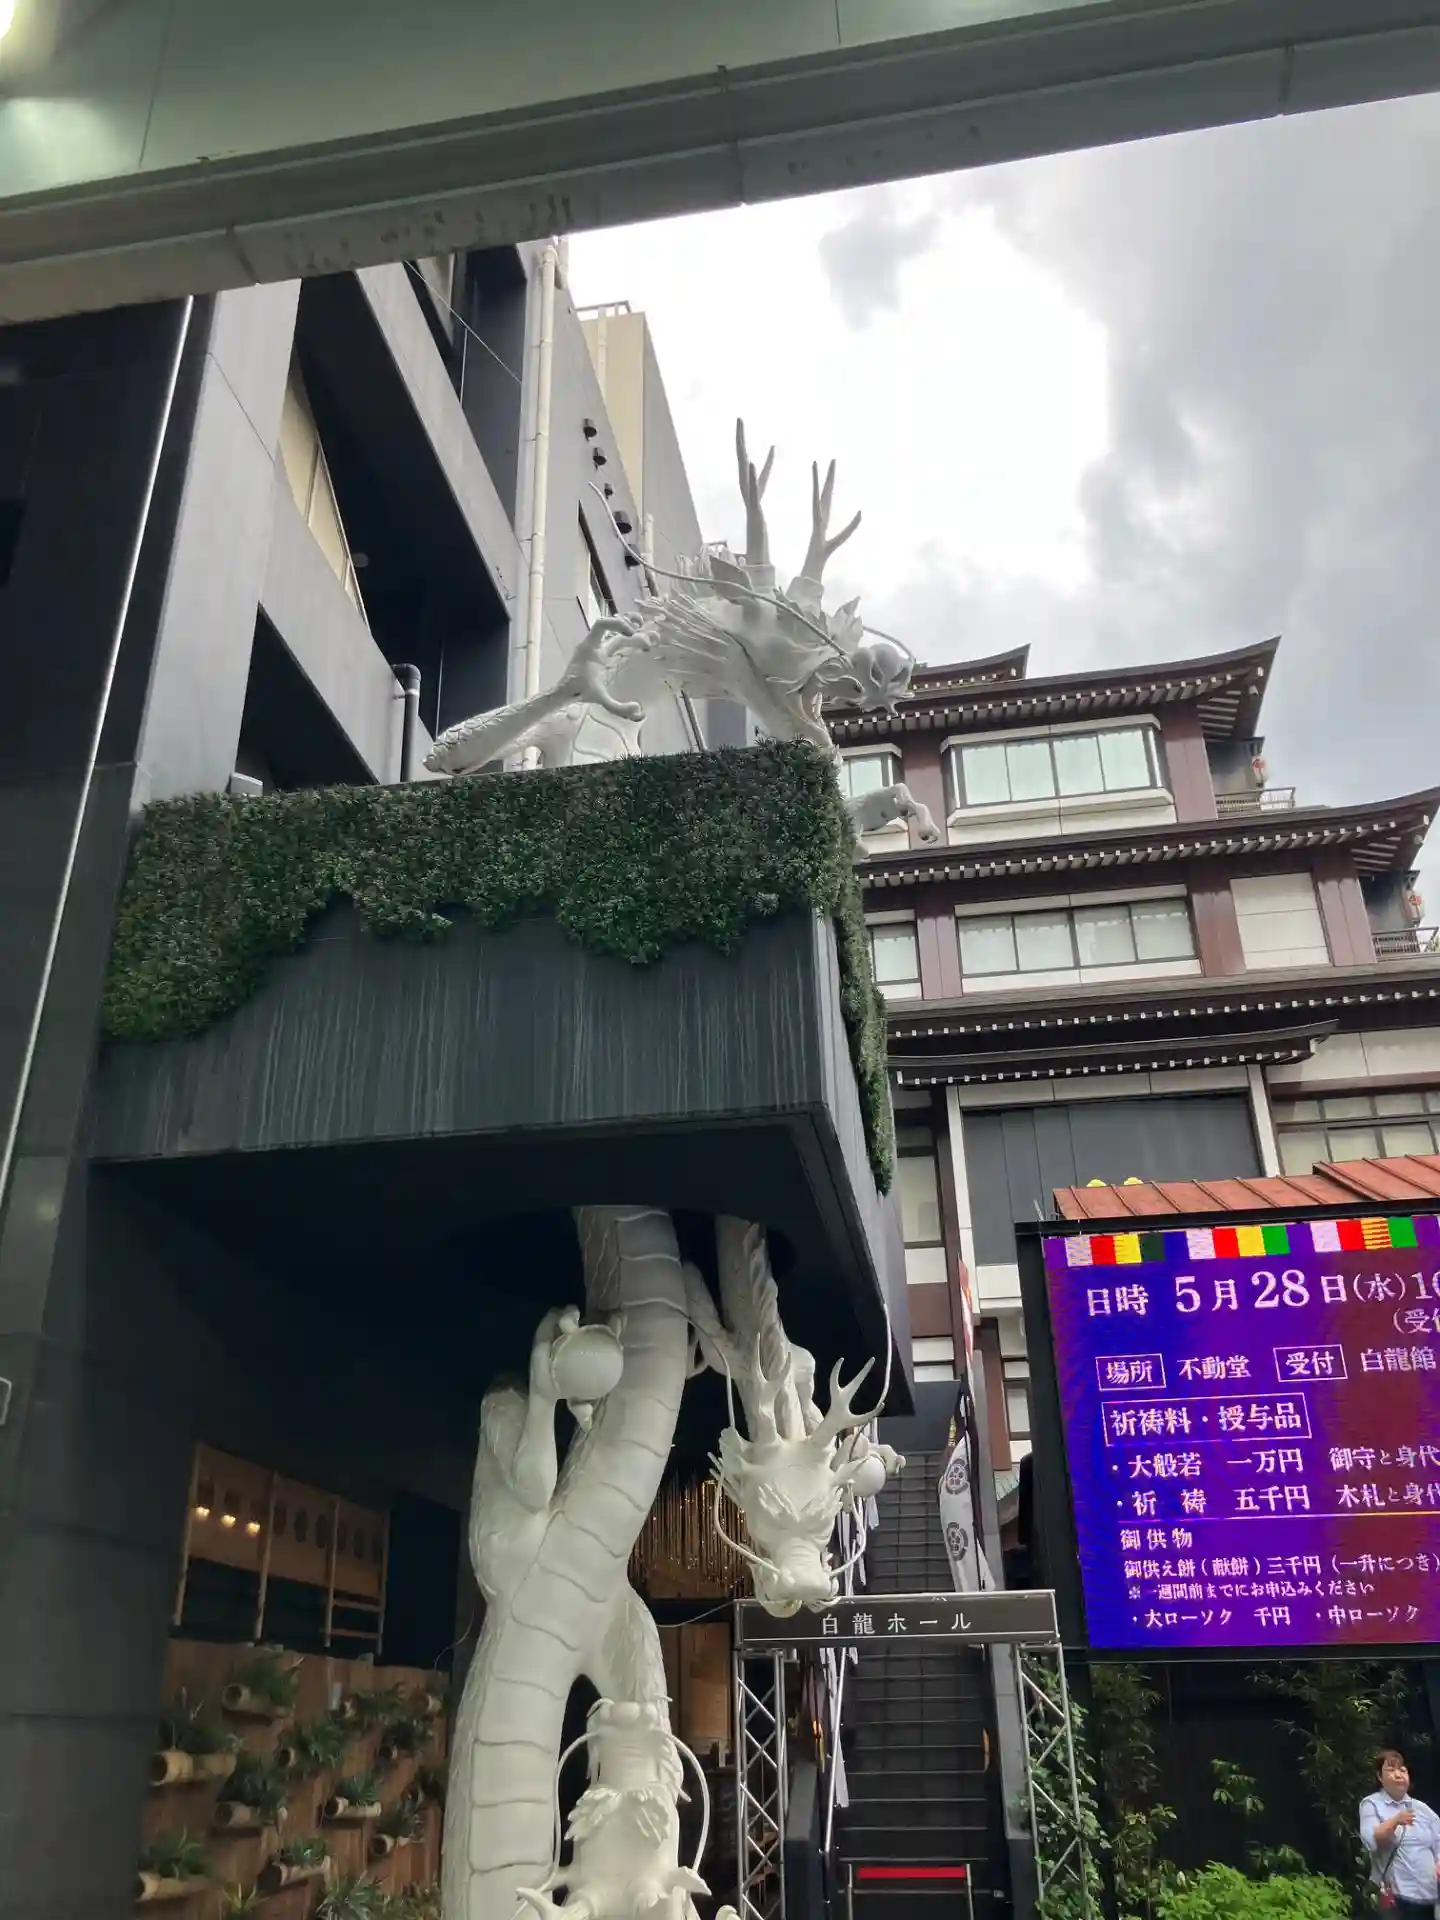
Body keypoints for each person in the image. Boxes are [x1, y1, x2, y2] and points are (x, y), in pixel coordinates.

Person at [1361, 1749, 1440, 1916]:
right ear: (1380, 1777)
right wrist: (1395, 1821)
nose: (1398, 1775)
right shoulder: (1371, 1804)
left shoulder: (1423, 1810)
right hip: (1395, 1898)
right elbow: (1370, 1841)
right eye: (1391, 1770)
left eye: (1403, 1770)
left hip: (1427, 1897)